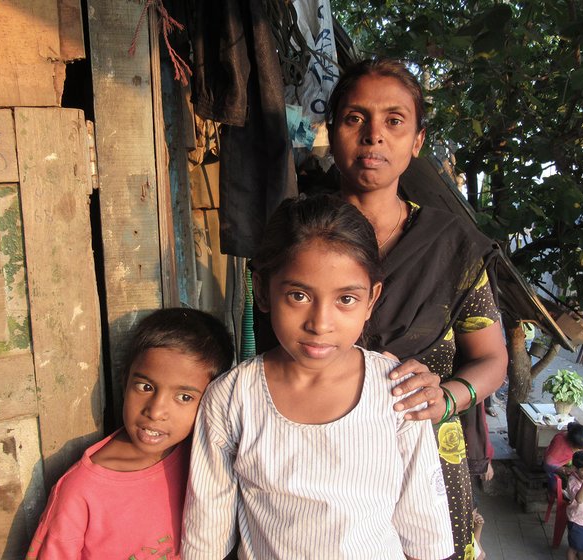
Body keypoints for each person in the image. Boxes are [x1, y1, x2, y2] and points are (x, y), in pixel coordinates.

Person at [181, 195, 454, 560]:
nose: (320, 323)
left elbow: (425, 530)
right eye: (298, 295)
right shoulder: (231, 399)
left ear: (371, 299)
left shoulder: (397, 392)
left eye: (345, 300)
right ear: (263, 290)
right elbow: (205, 535)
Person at [326, 57, 509, 559]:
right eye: (354, 118)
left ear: (417, 141)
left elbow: (492, 359)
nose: (373, 137)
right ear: (332, 129)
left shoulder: (452, 246)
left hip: (429, 462)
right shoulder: (300, 235)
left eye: (393, 121)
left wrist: (447, 397)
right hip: (321, 456)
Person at [26, 308, 234, 559]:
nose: (156, 411)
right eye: (146, 387)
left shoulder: (203, 459)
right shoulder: (81, 490)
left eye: (184, 397)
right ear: (125, 382)